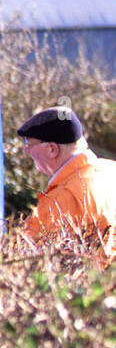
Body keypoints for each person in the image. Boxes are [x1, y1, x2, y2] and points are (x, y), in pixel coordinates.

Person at [16, 106, 116, 265]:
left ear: (52, 149)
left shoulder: (61, 198)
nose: (26, 151)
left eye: (29, 144)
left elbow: (22, 257)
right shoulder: (111, 171)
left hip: (84, 286)